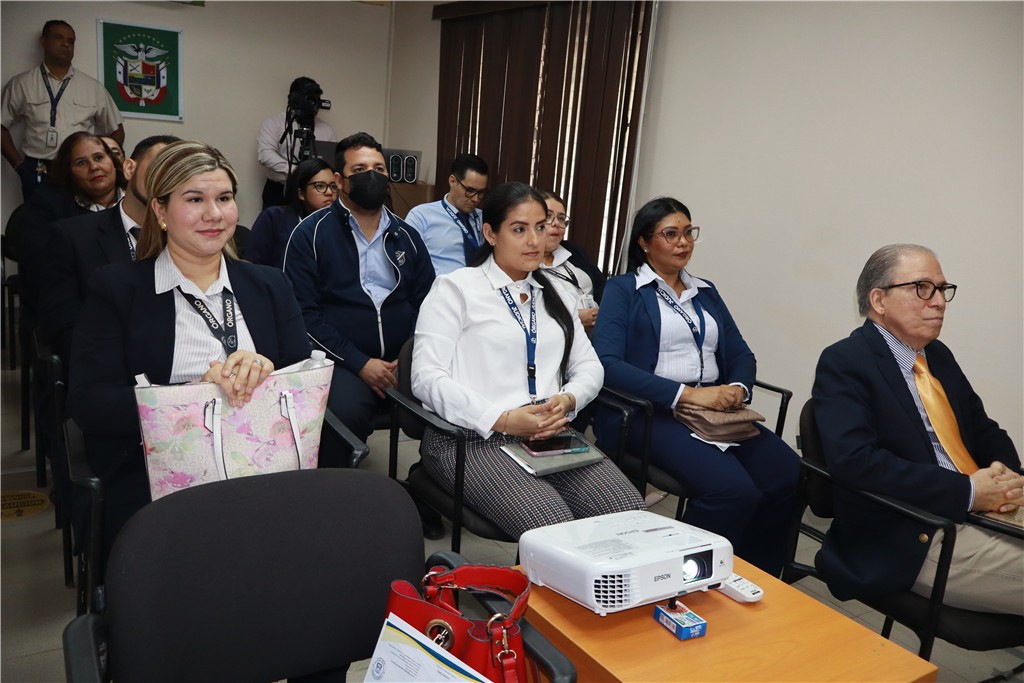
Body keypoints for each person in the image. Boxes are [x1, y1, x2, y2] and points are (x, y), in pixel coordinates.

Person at [66, 140, 312, 566]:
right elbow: (89, 404)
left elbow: (307, 384)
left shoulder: (270, 285)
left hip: (264, 466)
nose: (214, 214)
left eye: (225, 198)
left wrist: (269, 370)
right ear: (160, 211)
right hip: (161, 473)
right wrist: (193, 392)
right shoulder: (118, 289)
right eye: (195, 199)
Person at [411, 182, 645, 539]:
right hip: (469, 436)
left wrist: (568, 399)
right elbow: (426, 378)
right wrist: (503, 419)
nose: (535, 240)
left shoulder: (557, 293)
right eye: (519, 229)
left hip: (549, 433)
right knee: (553, 528)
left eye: (541, 226)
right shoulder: (456, 288)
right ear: (490, 233)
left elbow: (589, 366)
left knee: (630, 514)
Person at [591, 197, 799, 576]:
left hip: (715, 409)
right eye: (670, 234)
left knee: (788, 472)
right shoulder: (623, 289)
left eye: (689, 232)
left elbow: (741, 352)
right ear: (644, 242)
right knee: (732, 490)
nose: (683, 242)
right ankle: (684, 576)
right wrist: (687, 394)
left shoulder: (705, 290)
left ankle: (756, 572)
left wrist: (738, 387)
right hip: (651, 410)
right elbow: (607, 364)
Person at [813, 244, 1023, 616]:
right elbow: (856, 462)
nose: (939, 302)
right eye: (923, 288)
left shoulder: (938, 355)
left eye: (942, 289)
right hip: (913, 532)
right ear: (879, 300)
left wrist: (1007, 478)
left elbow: (983, 429)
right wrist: (968, 492)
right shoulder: (844, 361)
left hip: (981, 509)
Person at [282, 132, 434, 446]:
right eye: (360, 170)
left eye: (379, 169)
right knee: (344, 414)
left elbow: (429, 304)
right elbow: (302, 313)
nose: (372, 177)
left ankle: (433, 468)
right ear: (340, 180)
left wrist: (408, 356)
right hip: (342, 360)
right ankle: (342, 475)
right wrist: (360, 362)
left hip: (405, 359)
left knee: (449, 400)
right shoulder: (310, 234)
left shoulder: (407, 236)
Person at [41, 134, 181, 362]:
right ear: (129, 169)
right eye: (158, 166)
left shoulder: (188, 238)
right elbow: (65, 326)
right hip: (106, 366)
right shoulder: (73, 236)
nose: (165, 179)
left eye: (177, 173)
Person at [2, 20, 125, 200]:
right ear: (43, 41)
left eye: (71, 41)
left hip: (80, 170)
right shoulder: (22, 84)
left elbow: (117, 130)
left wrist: (105, 161)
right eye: (58, 38)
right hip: (38, 171)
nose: (65, 44)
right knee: (38, 217)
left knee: (82, 217)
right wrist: (20, 166)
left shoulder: (92, 88)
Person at [256, 76, 337, 210]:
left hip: (315, 192)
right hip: (279, 190)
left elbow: (332, 162)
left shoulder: (326, 130)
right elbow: (265, 154)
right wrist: (296, 171)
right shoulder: (274, 123)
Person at [405, 153, 488, 275]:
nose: (476, 199)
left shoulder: (485, 218)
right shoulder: (421, 216)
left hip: (481, 284)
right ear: (452, 181)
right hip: (439, 285)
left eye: (481, 192)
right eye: (470, 190)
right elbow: (408, 264)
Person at [246, 157, 336, 268]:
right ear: (301, 193)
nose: (329, 192)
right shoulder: (274, 217)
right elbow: (253, 265)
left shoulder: (340, 223)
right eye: (320, 186)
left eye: (333, 186)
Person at [536, 189, 604, 331]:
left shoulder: (574, 252)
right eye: (548, 216)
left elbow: (603, 289)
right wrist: (575, 319)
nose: (556, 223)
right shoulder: (523, 265)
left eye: (561, 218)